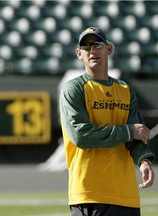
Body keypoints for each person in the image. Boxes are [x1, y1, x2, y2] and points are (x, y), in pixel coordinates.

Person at [59, 27, 155, 216]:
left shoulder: (125, 89)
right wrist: (128, 131)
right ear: (79, 53)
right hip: (89, 193)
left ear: (109, 49)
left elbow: (137, 135)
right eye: (86, 46)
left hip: (127, 194)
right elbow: (81, 135)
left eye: (98, 44)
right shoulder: (74, 89)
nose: (92, 50)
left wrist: (144, 160)